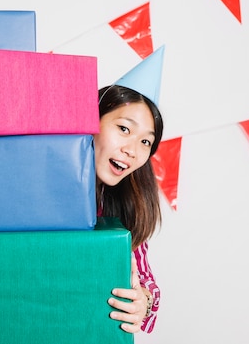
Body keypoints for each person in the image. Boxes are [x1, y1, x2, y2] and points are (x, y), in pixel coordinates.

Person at [94, 84, 164, 334]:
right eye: (124, 129)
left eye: (145, 141)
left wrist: (141, 301)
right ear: (92, 121)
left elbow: (144, 280)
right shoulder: (40, 188)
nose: (132, 151)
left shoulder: (124, 203)